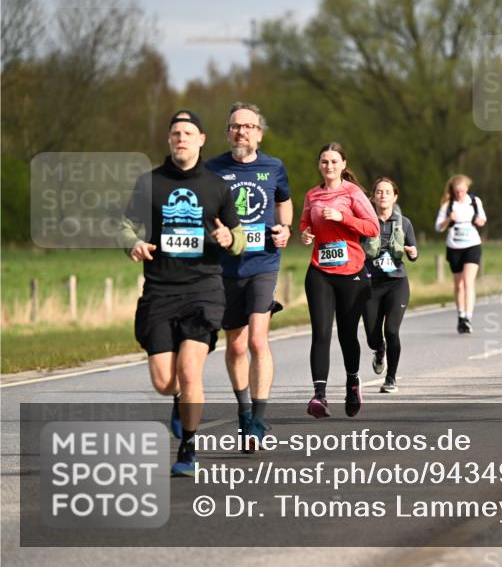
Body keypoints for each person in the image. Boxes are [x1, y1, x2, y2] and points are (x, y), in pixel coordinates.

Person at [119, 110, 247, 476]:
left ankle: (188, 448)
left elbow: (237, 237)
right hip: (159, 290)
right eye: (176, 132)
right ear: (169, 139)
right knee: (165, 381)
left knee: (190, 371)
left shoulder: (217, 186)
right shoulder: (150, 183)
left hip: (203, 289)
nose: (182, 138)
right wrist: (133, 242)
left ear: (202, 139)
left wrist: (229, 239)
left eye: (189, 132)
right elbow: (126, 224)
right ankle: (177, 400)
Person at [205, 102, 291, 452]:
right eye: (235, 126)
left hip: (263, 264)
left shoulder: (274, 167)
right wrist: (215, 232)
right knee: (236, 345)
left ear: (259, 133)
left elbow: (284, 202)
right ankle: (243, 411)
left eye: (248, 126)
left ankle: (258, 418)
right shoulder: (211, 169)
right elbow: (203, 213)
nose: (242, 131)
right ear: (228, 132)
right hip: (225, 268)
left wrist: (285, 228)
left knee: (258, 341)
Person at [300, 142, 379, 418]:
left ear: (343, 164)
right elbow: (305, 224)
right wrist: (306, 234)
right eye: (324, 161)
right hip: (319, 270)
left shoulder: (353, 192)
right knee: (320, 332)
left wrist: (343, 217)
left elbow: (372, 227)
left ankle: (352, 382)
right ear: (319, 165)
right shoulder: (312, 195)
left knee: (347, 334)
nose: (329, 166)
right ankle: (319, 395)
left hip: (351, 272)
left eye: (334, 161)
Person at [361, 177, 418, 393]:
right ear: (373, 197)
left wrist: (413, 252)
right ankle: (379, 350)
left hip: (396, 283)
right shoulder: (365, 222)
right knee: (373, 337)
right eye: (379, 192)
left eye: (387, 192)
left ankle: (391, 378)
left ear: (395, 196)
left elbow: (414, 253)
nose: (383, 195)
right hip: (371, 283)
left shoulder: (405, 223)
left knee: (392, 331)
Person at [435, 175, 487, 334]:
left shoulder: (475, 202)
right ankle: (461, 314)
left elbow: (483, 220)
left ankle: (468, 318)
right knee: (458, 284)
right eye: (457, 191)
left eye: (462, 191)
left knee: (468, 281)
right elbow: (438, 227)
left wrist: (479, 221)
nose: (460, 194)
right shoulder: (447, 205)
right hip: (454, 246)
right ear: (453, 190)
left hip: (472, 244)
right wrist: (448, 219)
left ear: (467, 189)